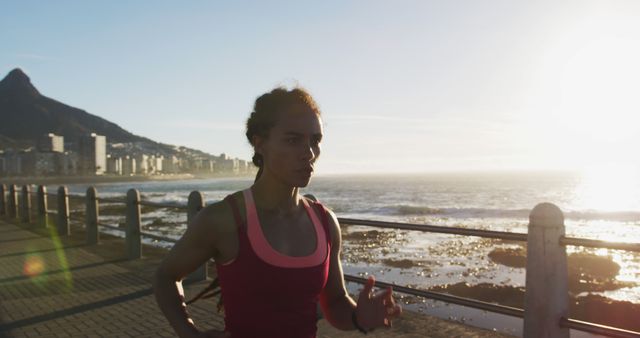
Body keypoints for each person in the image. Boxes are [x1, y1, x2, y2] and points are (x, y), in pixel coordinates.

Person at [153, 87, 402, 338]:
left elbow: (335, 303)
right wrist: (188, 332)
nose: (309, 153)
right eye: (293, 140)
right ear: (259, 143)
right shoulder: (224, 219)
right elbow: (166, 277)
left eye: (315, 140)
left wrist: (359, 317)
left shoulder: (325, 221)